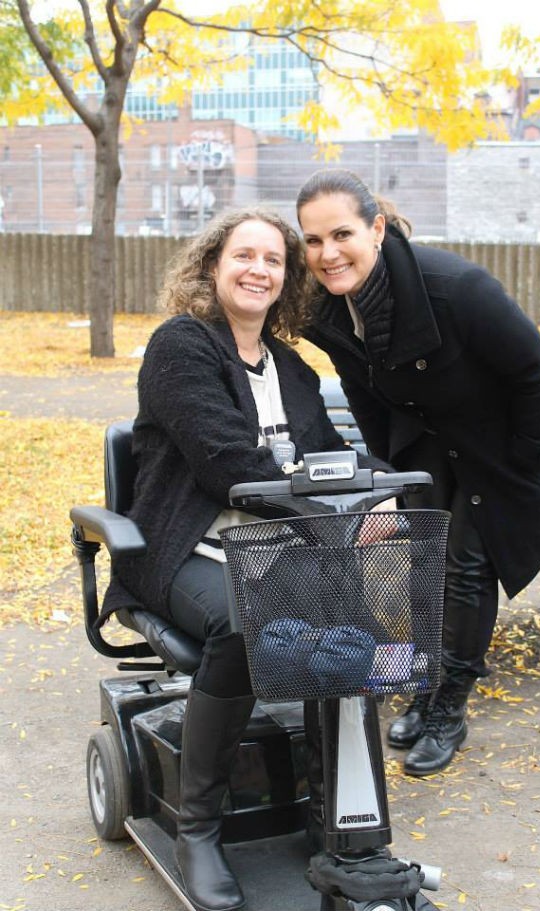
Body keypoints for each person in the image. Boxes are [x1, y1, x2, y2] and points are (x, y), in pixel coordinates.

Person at [98, 207, 390, 911]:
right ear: (212, 266)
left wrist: (376, 490)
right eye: (243, 256)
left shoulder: (289, 368)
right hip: (184, 546)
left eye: (273, 260)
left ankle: (335, 818)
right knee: (241, 624)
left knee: (355, 627)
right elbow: (223, 460)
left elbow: (327, 453)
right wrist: (323, 516)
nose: (258, 269)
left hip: (277, 546)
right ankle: (199, 829)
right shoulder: (181, 347)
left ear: (285, 280)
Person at [296, 168, 540, 778]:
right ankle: (428, 684)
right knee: (432, 555)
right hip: (435, 444)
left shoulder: (454, 287)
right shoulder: (331, 309)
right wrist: (389, 476)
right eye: (312, 241)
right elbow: (363, 389)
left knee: (471, 563)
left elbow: (537, 370)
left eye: (341, 233)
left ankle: (447, 705)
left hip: (503, 444)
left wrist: (528, 463)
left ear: (376, 228)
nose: (327, 253)